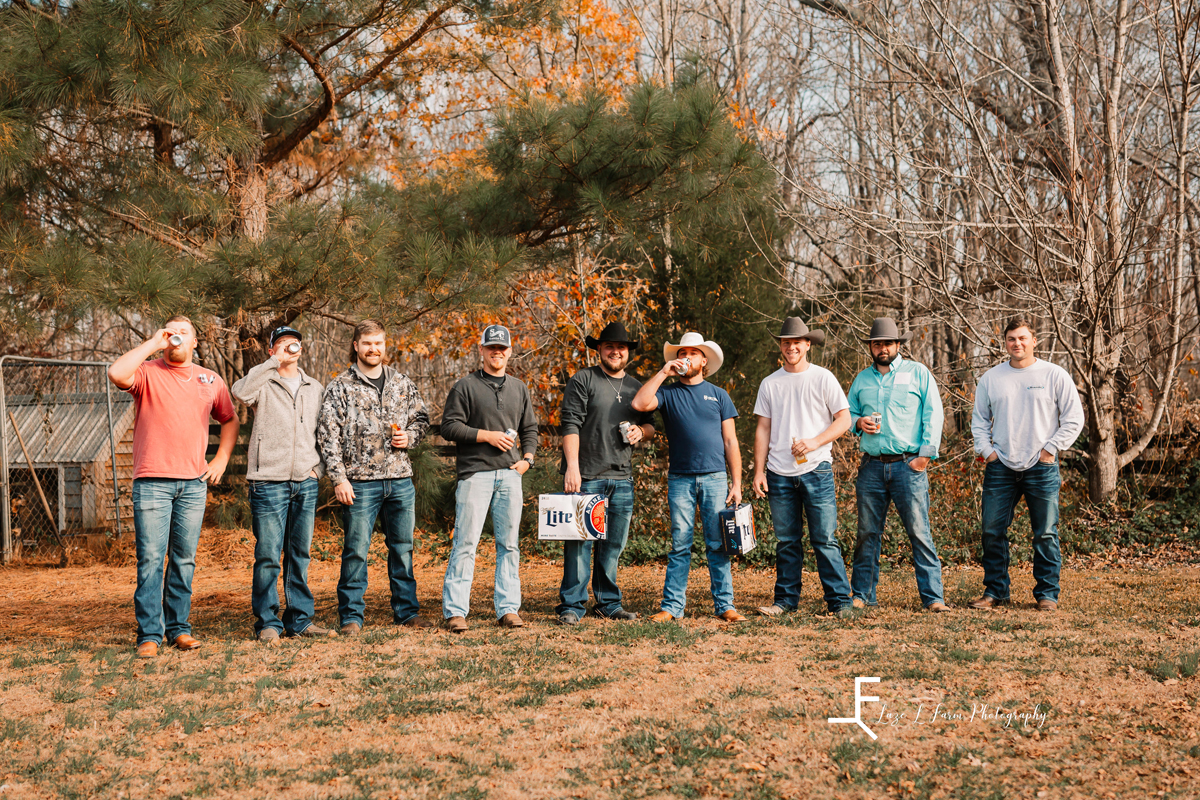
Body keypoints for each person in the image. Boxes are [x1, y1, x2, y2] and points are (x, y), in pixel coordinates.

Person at [107, 316, 239, 658]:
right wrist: (154, 343)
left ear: (195, 342)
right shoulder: (147, 372)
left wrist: (222, 458)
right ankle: (150, 634)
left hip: (194, 484)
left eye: (184, 333)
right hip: (152, 482)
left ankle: (179, 629)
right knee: (151, 559)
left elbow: (229, 419)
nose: (177, 337)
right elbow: (117, 374)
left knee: (183, 560)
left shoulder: (210, 380)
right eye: (171, 333)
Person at [316, 319, 431, 635]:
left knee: (403, 549)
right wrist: (339, 479)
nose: (373, 348)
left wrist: (410, 436)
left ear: (385, 345)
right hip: (359, 484)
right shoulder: (340, 386)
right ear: (356, 346)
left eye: (378, 343)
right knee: (355, 551)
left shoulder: (401, 383)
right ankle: (351, 617)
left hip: (400, 480)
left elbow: (422, 420)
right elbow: (328, 434)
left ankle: (407, 612)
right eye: (367, 343)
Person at [631, 331, 746, 623]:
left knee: (718, 544)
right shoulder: (667, 394)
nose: (685, 357)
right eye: (681, 353)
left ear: (703, 360)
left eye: (692, 353)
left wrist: (737, 483)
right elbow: (640, 405)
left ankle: (725, 606)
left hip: (716, 478)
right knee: (680, 544)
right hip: (680, 479)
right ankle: (671, 608)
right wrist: (662, 372)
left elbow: (731, 442)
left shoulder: (719, 395)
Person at [970, 316, 1084, 612]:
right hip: (1001, 467)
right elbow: (979, 420)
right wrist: (988, 452)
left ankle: (1047, 593)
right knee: (991, 531)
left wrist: (1050, 450)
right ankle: (996, 591)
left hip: (1041, 466)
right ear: (1004, 343)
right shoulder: (992, 378)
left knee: (1045, 532)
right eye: (1011, 339)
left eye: (1022, 338)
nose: (1017, 343)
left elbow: (1074, 419)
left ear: (1034, 340)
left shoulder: (1053, 374)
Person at [231, 326, 334, 644]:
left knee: (299, 553)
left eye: (296, 342)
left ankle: (300, 621)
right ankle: (268, 623)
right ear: (272, 349)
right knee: (267, 556)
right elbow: (241, 392)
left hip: (305, 481)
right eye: (284, 343)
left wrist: (317, 469)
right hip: (268, 483)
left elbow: (324, 431)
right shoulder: (262, 381)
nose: (293, 347)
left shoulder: (313, 386)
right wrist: (271, 364)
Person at [750, 317, 855, 618]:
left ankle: (839, 602)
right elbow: (762, 429)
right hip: (779, 473)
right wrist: (759, 471)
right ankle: (784, 602)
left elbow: (844, 420)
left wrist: (814, 442)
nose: (791, 346)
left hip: (816, 469)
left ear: (808, 344)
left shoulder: (823, 378)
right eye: (786, 342)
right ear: (780, 346)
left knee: (824, 538)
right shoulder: (770, 383)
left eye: (797, 342)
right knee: (786, 542)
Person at [439, 324, 538, 633]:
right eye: (491, 347)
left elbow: (530, 428)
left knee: (509, 545)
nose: (498, 352)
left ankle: (508, 609)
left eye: (503, 348)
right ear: (481, 350)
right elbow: (449, 427)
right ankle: (456, 611)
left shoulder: (519, 387)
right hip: (475, 475)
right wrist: (487, 436)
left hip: (510, 475)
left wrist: (528, 460)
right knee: (465, 543)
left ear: (509, 351)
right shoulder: (465, 386)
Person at [556, 322, 656, 625]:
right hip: (586, 475)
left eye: (621, 347)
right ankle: (572, 606)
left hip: (622, 477)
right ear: (599, 349)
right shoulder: (584, 379)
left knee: (613, 545)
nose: (615, 351)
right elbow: (569, 424)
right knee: (578, 544)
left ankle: (608, 603)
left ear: (628, 353)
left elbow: (651, 424)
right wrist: (572, 467)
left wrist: (642, 431)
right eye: (609, 346)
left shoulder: (637, 386)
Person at [846, 318, 949, 612]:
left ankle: (933, 598)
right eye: (877, 344)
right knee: (867, 533)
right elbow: (847, 413)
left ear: (898, 345)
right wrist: (857, 422)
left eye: (888, 343)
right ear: (871, 347)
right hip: (872, 467)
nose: (882, 348)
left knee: (919, 531)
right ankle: (862, 595)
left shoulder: (917, 373)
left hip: (908, 466)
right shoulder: (861, 380)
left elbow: (934, 414)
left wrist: (925, 457)